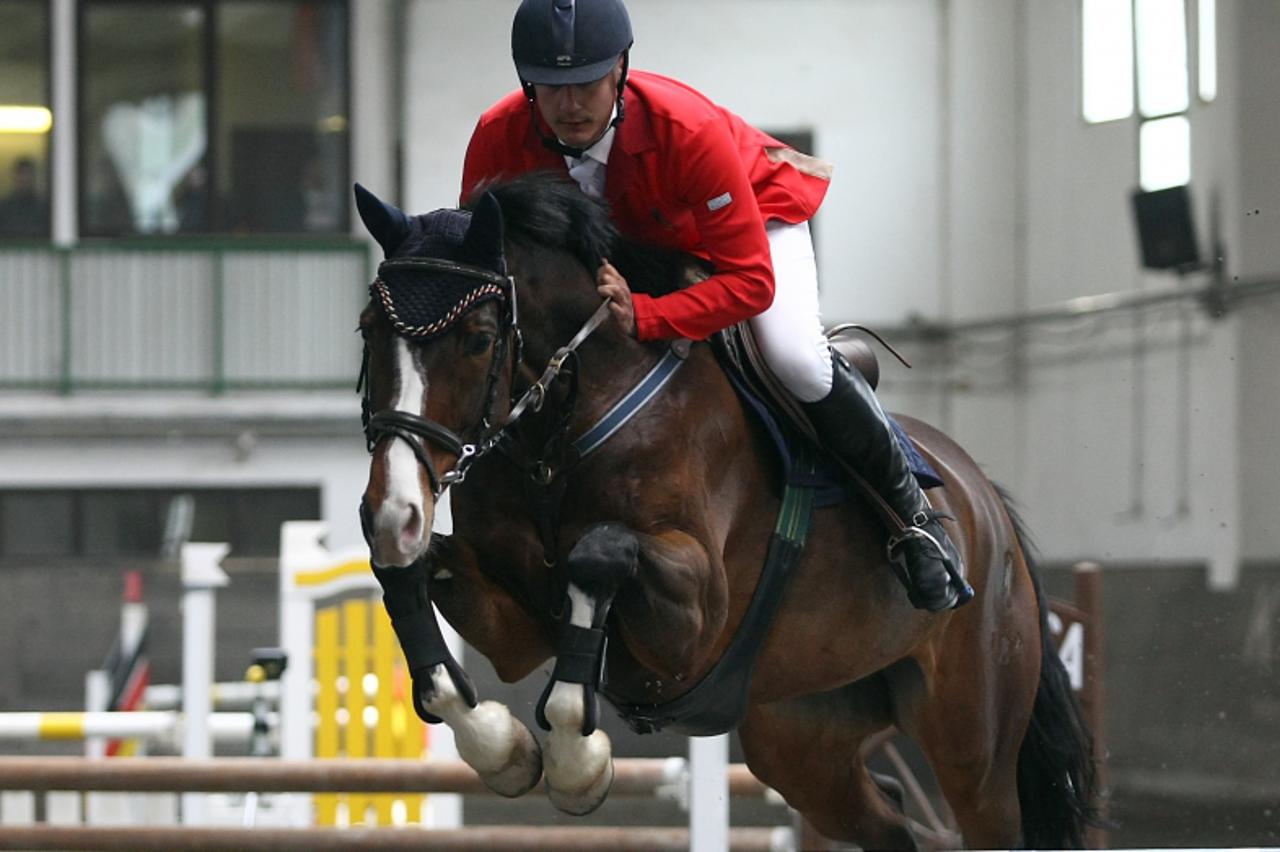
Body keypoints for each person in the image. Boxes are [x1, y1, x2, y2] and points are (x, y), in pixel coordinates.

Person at [461, 0, 971, 611]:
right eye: (553, 87)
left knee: (795, 359)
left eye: (588, 83)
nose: (571, 105)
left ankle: (913, 518)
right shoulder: (497, 136)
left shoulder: (685, 128)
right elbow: (482, 261)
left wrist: (648, 317)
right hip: (637, 247)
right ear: (528, 85)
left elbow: (751, 282)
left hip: (750, 224)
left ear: (620, 68)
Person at [0, 157, 50, 239]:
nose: (24, 179)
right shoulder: (4, 207)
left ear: (33, 178)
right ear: (15, 177)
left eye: (27, 175)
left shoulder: (43, 207)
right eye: (21, 175)